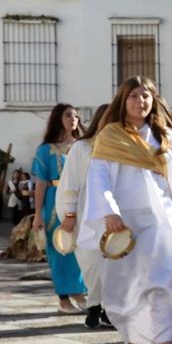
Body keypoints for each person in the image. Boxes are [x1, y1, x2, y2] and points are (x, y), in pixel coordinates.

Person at [82, 77, 172, 344]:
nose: (141, 101)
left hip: (162, 225)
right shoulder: (110, 136)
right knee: (128, 289)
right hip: (126, 226)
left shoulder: (166, 137)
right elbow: (99, 177)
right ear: (123, 101)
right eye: (135, 96)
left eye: (146, 96)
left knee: (166, 285)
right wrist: (109, 213)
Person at [58, 104, 112, 331]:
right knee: (91, 264)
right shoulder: (81, 148)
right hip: (85, 215)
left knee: (112, 264)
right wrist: (70, 213)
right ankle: (94, 305)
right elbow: (70, 181)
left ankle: (106, 309)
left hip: (112, 217)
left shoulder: (121, 149)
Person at [33, 103, 88, 315]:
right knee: (60, 247)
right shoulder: (46, 149)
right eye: (67, 115)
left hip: (80, 200)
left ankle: (79, 292)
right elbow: (40, 183)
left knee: (79, 247)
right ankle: (64, 298)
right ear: (58, 119)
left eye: (75, 115)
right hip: (54, 201)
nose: (73, 119)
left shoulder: (83, 146)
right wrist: (38, 214)